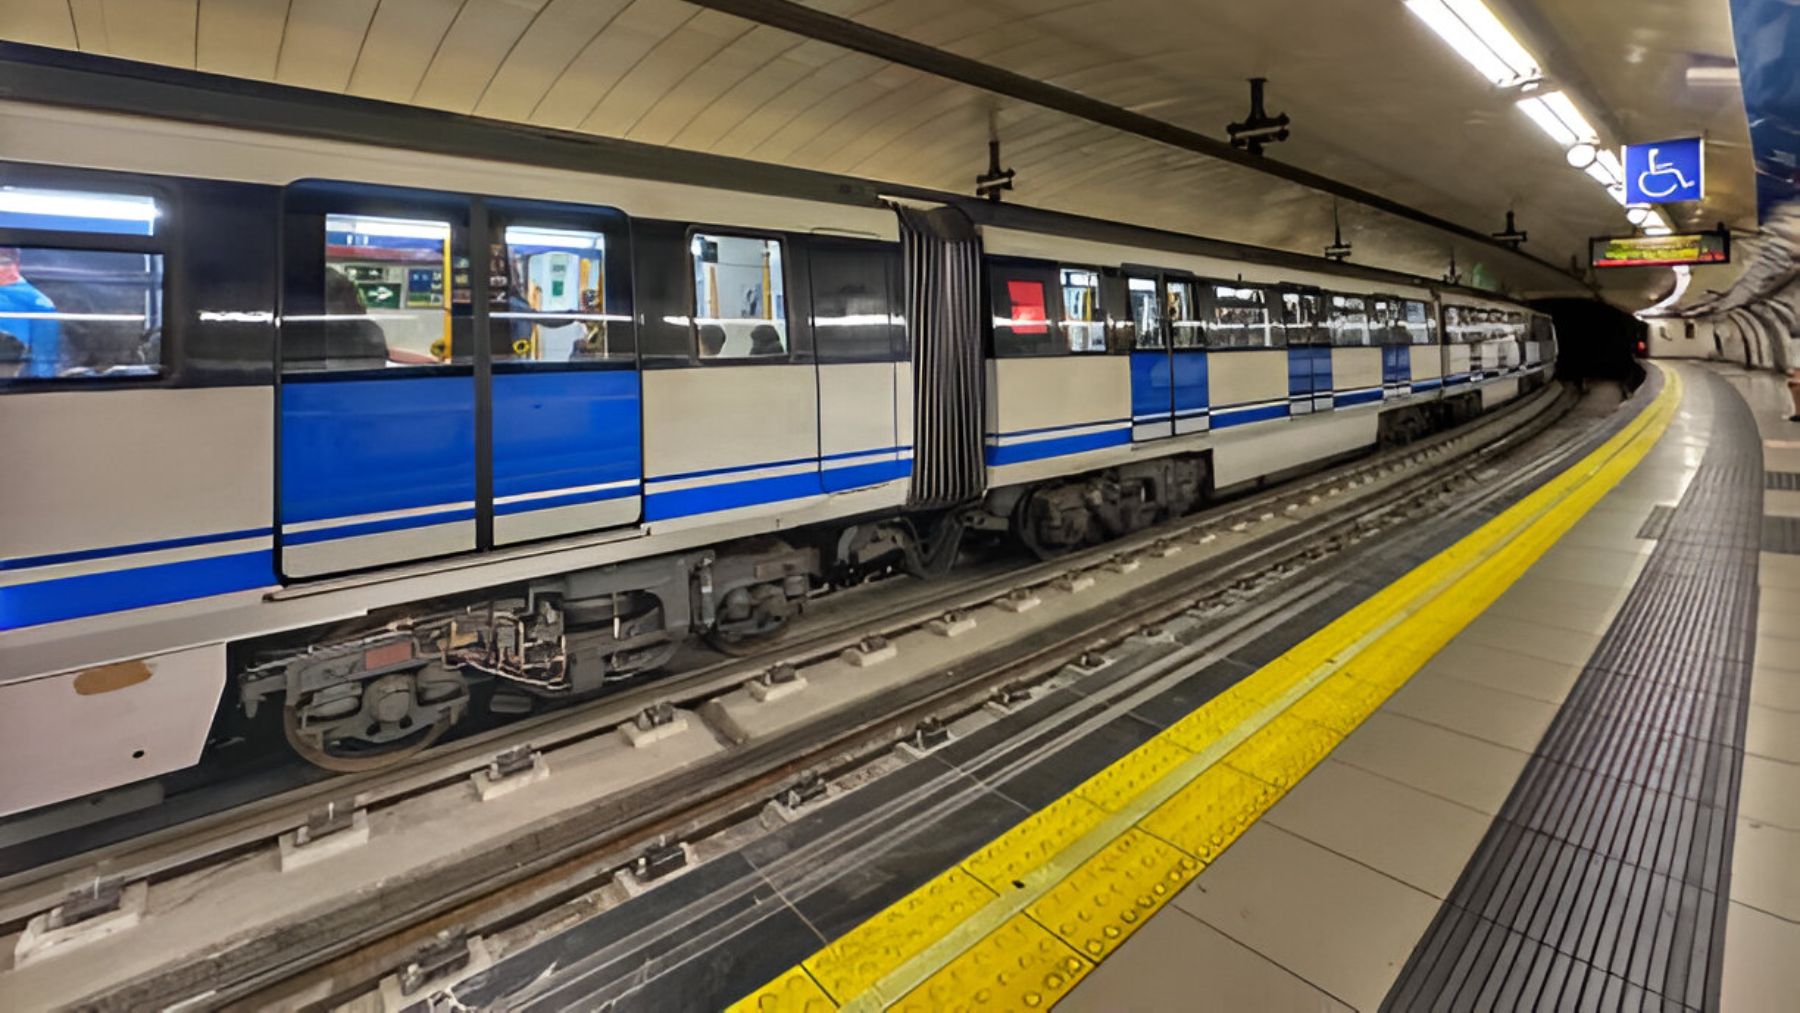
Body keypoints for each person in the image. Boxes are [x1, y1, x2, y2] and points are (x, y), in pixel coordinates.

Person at [0, 247, 62, 378]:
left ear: (16, 264)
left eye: (4, 261)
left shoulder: (38, 303)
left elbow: (44, 359)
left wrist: (35, 385)